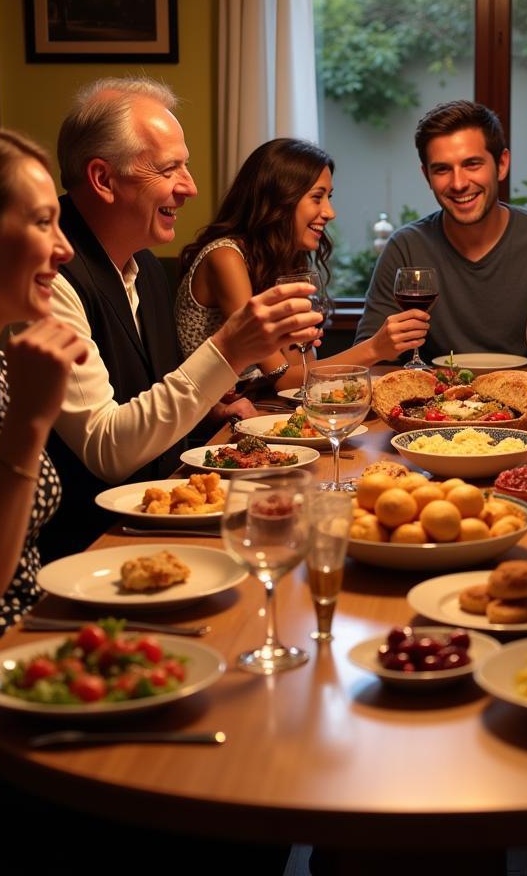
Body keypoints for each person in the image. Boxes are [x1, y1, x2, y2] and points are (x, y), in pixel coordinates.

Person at [41, 78, 322, 562]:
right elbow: (107, 450)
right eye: (170, 168)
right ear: (103, 179)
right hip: (94, 553)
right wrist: (230, 351)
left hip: (168, 522)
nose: (190, 187)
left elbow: (150, 397)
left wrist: (208, 409)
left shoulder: (145, 263)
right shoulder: (49, 275)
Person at [355, 100, 527, 362]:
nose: (459, 183)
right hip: (435, 399)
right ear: (427, 176)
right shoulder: (405, 247)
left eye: (472, 164)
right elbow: (371, 359)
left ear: (502, 164)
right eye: (442, 169)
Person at [176, 138, 427, 384]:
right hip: (212, 419)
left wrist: (302, 343)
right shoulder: (226, 257)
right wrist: (375, 348)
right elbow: (280, 377)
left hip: (260, 409)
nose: (330, 212)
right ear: (280, 199)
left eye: (329, 197)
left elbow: (299, 373)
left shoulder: (281, 261)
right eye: (317, 197)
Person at [0, 127, 88, 653]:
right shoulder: (20, 389)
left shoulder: (2, 368)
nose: (64, 249)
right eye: (44, 223)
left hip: (36, 648)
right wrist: (28, 422)